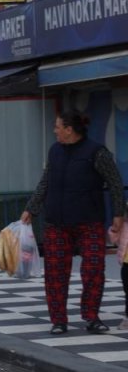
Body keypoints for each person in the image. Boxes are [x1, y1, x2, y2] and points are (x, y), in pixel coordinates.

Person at [21, 109, 125, 335]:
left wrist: (118, 214)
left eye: (58, 126)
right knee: (55, 273)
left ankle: (91, 316)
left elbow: (115, 183)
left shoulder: (97, 152)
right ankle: (58, 319)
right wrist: (32, 208)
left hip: (89, 221)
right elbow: (45, 181)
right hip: (57, 222)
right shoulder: (55, 151)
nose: (55, 130)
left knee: (93, 270)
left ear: (69, 129)